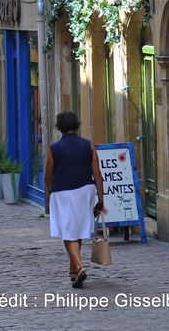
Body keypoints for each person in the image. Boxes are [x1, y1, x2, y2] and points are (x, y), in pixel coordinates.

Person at [44, 111, 105, 289]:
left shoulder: (55, 148)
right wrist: (100, 198)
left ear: (59, 127)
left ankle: (79, 267)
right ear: (77, 125)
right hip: (85, 190)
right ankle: (73, 271)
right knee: (76, 229)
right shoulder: (89, 145)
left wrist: (49, 190)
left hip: (63, 192)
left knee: (67, 231)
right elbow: (97, 173)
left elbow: (48, 173)